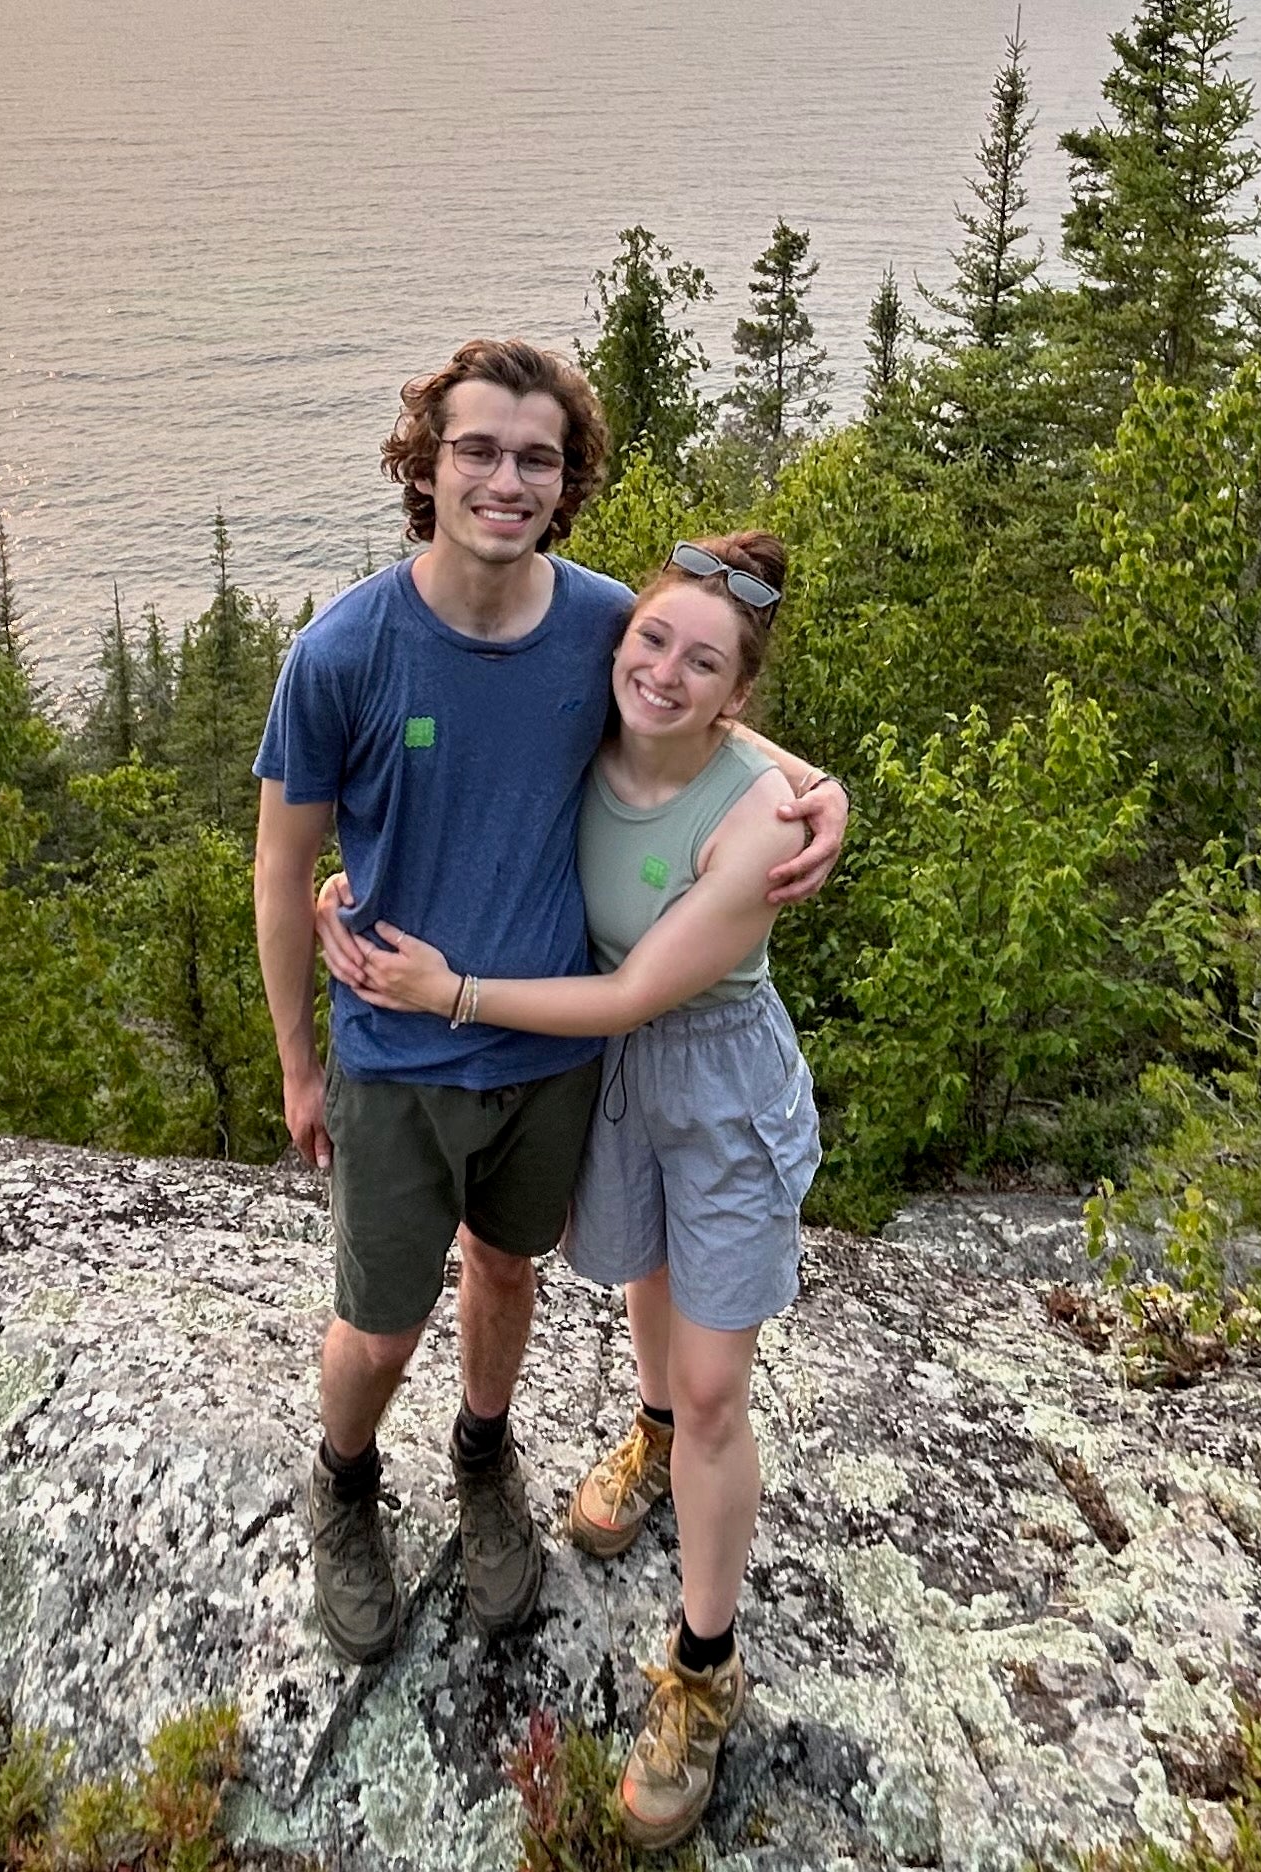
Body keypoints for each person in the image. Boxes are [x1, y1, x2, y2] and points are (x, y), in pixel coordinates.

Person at [250, 340, 843, 1683]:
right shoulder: (343, 653)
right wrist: (297, 1064)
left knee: (508, 1272)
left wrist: (823, 794)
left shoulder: (599, 622)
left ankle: (484, 1456)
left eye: (537, 458)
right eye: (477, 449)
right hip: (397, 1049)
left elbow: (703, 711)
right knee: (379, 1323)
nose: (506, 480)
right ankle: (344, 1481)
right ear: (426, 462)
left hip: (554, 1056)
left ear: (566, 482)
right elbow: (282, 871)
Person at [322, 527, 815, 1851]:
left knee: (718, 1389)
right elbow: (459, 780)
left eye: (704, 663)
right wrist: (356, 884)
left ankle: (703, 1665)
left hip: (710, 1083)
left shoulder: (760, 821)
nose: (663, 672)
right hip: (611, 1087)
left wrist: (453, 994)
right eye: (652, 639)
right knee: (645, 1279)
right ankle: (651, 1436)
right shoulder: (595, 734)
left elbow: (634, 992)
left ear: (738, 693)